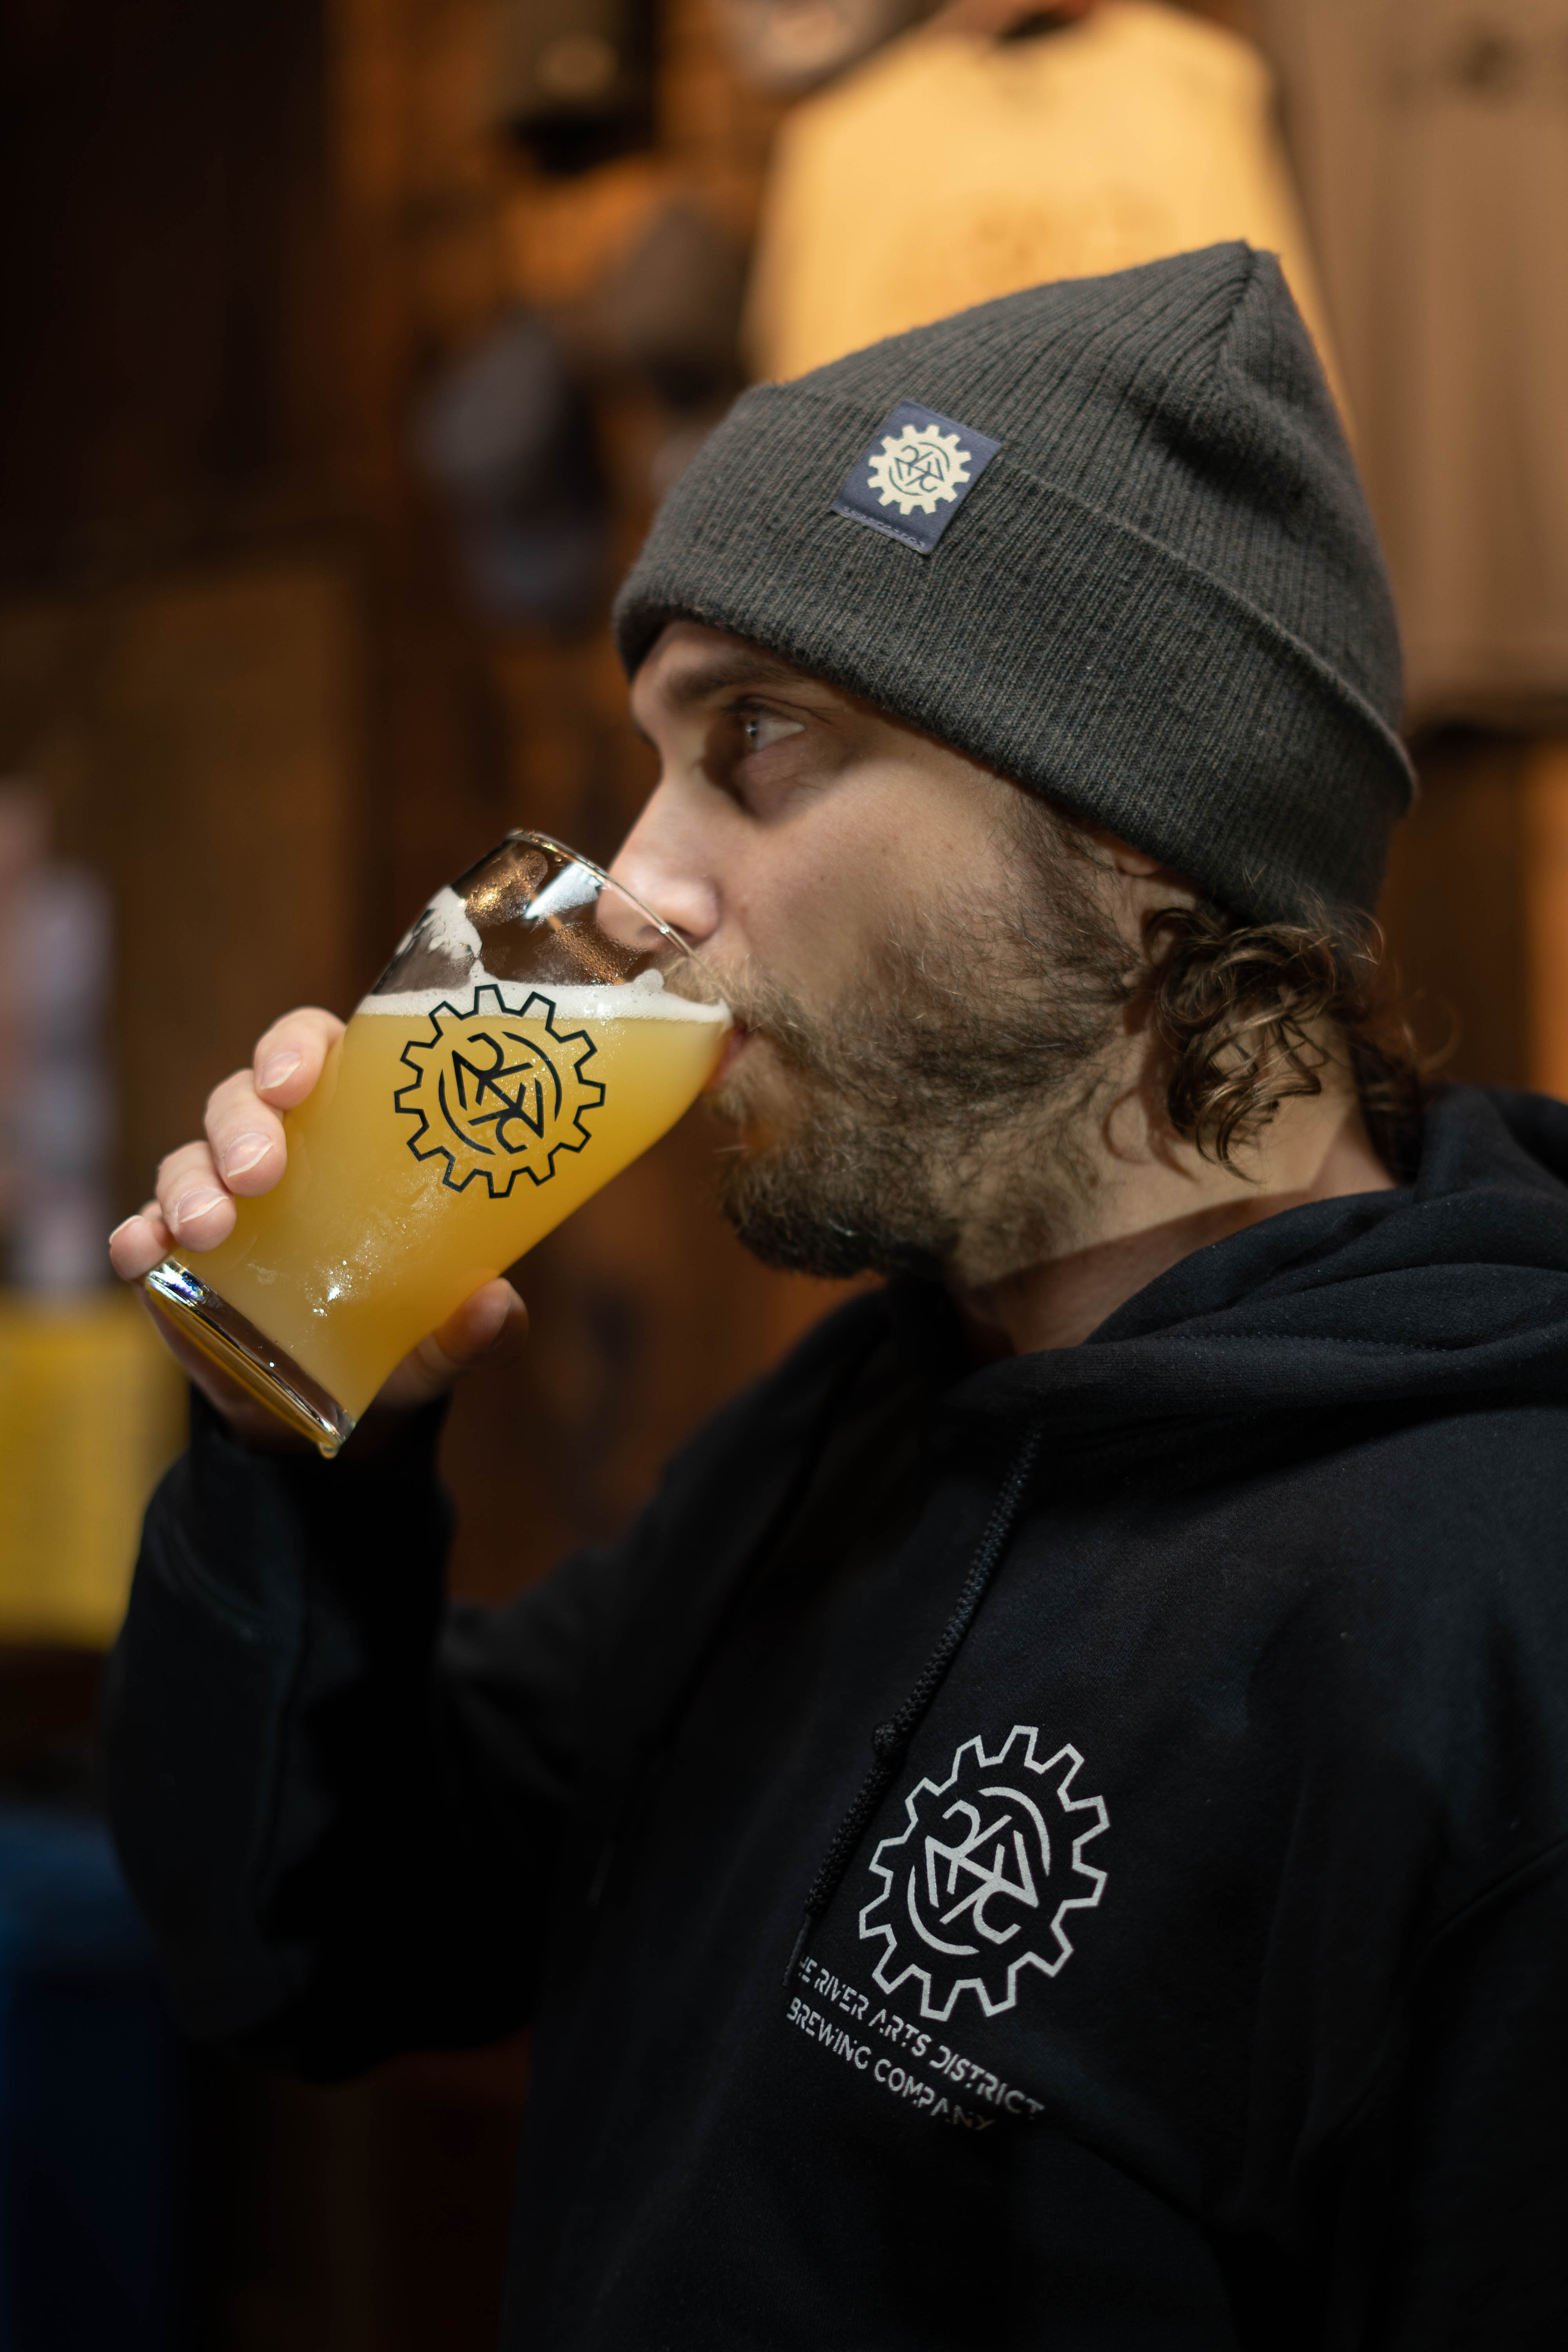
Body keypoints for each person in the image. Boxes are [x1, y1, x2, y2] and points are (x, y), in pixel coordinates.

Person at [104, 245, 1568, 2346]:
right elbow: (307, 1949)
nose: (643, 877)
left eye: (758, 740)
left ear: (1136, 832)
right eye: (658, 757)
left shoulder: (1493, 1621)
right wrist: (291, 1452)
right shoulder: (853, 1430)